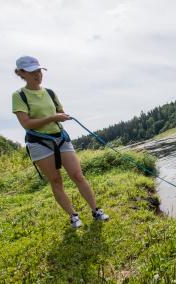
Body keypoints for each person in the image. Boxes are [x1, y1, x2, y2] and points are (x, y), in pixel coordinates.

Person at [12, 55, 109, 228]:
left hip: (60, 138)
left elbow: (59, 111)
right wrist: (53, 117)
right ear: (21, 73)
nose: (37, 74)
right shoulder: (19, 95)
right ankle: (73, 216)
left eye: (39, 70)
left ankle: (96, 210)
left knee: (78, 175)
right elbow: (26, 124)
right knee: (56, 180)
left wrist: (61, 116)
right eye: (31, 71)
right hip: (39, 143)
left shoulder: (50, 92)